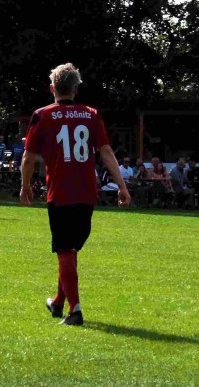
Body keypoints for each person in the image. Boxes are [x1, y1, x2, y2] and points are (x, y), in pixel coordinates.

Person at [20, 63, 130, 326]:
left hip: (60, 193)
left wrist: (25, 185)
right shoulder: (91, 114)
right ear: (76, 89)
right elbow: (106, 152)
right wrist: (122, 186)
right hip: (87, 193)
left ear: (52, 88)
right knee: (69, 250)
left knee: (65, 250)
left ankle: (75, 310)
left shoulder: (42, 115)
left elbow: (28, 157)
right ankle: (58, 302)